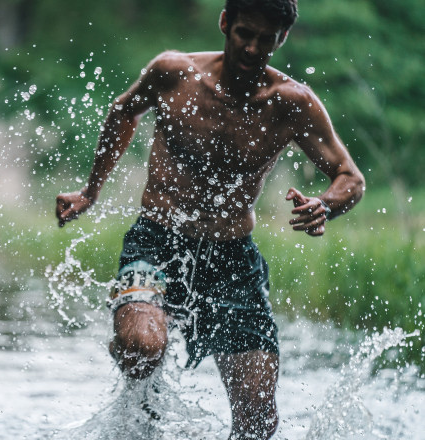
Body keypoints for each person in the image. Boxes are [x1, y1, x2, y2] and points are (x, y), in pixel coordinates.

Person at [55, 0, 365, 438]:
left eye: (267, 39)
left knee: (258, 421)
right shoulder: (173, 73)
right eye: (245, 34)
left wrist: (326, 204)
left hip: (233, 262)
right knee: (143, 345)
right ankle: (130, 353)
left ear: (283, 38)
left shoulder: (291, 103)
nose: (254, 48)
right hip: (156, 242)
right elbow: (124, 111)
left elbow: (350, 177)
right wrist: (90, 191)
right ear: (225, 23)